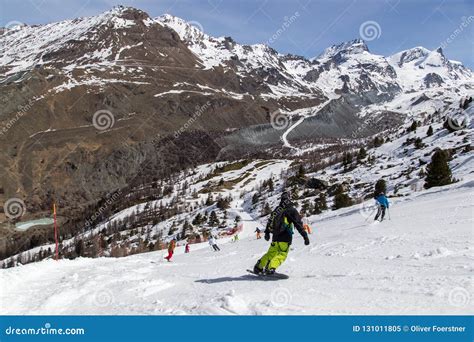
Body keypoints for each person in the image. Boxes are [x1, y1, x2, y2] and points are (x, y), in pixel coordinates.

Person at [253, 191, 310, 275]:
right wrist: (305, 236)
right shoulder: (291, 210)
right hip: (285, 236)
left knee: (271, 253)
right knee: (282, 254)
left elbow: (269, 221)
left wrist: (267, 233)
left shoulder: (277, 210)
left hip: (275, 237)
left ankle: (258, 267)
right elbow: (298, 224)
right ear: (289, 199)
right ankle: (270, 268)